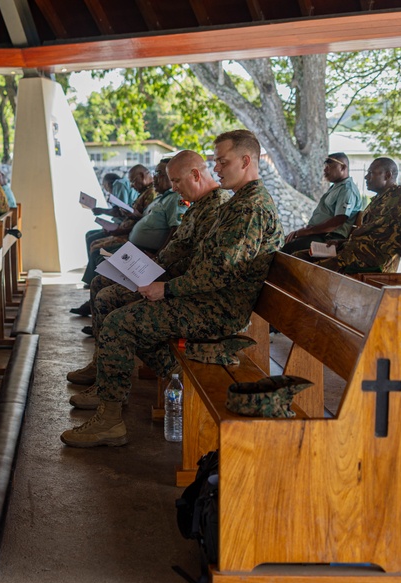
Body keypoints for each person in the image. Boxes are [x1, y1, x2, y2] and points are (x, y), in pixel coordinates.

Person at [61, 130, 283, 447]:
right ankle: (129, 387)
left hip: (217, 311)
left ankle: (110, 420)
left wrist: (166, 289)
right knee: (122, 318)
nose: (216, 168)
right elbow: (205, 263)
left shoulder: (250, 208)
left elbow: (219, 271)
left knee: (119, 324)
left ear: (246, 161)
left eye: (222, 161)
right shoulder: (241, 203)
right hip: (206, 301)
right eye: (216, 161)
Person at [66, 149, 231, 388]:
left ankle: (110, 381)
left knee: (109, 301)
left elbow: (200, 265)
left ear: (195, 174)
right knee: (101, 282)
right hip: (164, 275)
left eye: (176, 181)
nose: (174, 188)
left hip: (181, 290)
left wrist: (161, 279)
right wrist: (149, 264)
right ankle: (101, 364)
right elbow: (179, 247)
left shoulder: (216, 208)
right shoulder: (198, 204)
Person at [312, 157, 401, 274]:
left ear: (387, 175)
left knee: (313, 270)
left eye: (371, 173)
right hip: (355, 252)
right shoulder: (378, 199)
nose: (365, 177)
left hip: (373, 260)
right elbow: (369, 233)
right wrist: (341, 242)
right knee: (302, 257)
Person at [79, 159, 185, 286]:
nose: (155, 179)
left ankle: (96, 292)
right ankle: (94, 292)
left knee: (99, 254)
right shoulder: (160, 198)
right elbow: (144, 220)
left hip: (146, 251)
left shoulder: (171, 198)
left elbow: (175, 230)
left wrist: (158, 257)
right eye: (154, 174)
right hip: (135, 243)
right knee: (98, 255)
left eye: (159, 174)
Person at [281, 152, 362, 254]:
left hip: (330, 239)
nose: (325, 169)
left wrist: (308, 231)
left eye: (330, 166)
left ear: (343, 167)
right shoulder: (337, 187)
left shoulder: (347, 189)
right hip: (319, 234)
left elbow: (339, 220)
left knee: (288, 249)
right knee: (282, 242)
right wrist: (305, 231)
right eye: (325, 166)